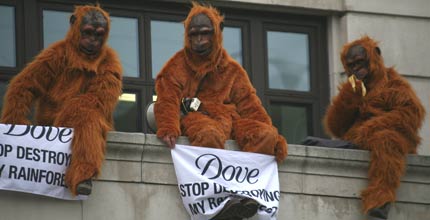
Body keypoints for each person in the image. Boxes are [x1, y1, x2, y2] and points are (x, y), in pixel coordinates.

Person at [154, 2, 287, 219]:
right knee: (209, 135)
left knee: (266, 134)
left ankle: (246, 193)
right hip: (199, 118)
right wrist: (168, 126)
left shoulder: (233, 69)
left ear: (217, 33)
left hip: (232, 120)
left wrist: (275, 138)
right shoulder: (177, 65)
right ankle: (215, 200)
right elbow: (166, 97)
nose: (199, 41)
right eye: (194, 34)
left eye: (205, 34)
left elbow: (250, 105)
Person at [1, 4, 123, 196]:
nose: (92, 41)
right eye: (88, 33)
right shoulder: (58, 54)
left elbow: (102, 101)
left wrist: (72, 111)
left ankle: (83, 173)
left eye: (99, 36)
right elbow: (22, 87)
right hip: (52, 129)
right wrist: (15, 130)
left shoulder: (109, 62)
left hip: (87, 125)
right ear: (74, 27)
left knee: (88, 114)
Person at [323, 36, 425, 219]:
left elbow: (410, 117)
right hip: (356, 140)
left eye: (360, 63)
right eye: (351, 65)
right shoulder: (354, 88)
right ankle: (351, 144)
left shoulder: (394, 85)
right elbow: (336, 127)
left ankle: (379, 202)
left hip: (388, 140)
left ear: (374, 57)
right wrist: (351, 93)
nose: (357, 68)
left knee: (386, 139)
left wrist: (368, 131)